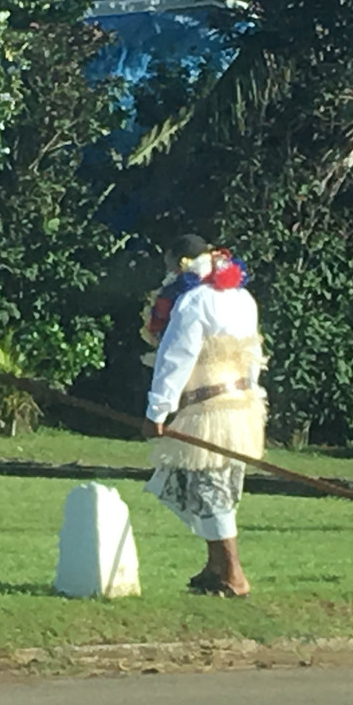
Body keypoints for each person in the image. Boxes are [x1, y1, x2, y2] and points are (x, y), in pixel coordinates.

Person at [141, 234, 267, 598]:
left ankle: (233, 573)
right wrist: (253, 395)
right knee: (209, 485)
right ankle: (215, 567)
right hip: (243, 406)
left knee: (211, 489)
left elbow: (175, 358)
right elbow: (253, 351)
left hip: (208, 408)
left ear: (180, 264)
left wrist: (158, 411)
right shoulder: (244, 298)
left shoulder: (193, 301)